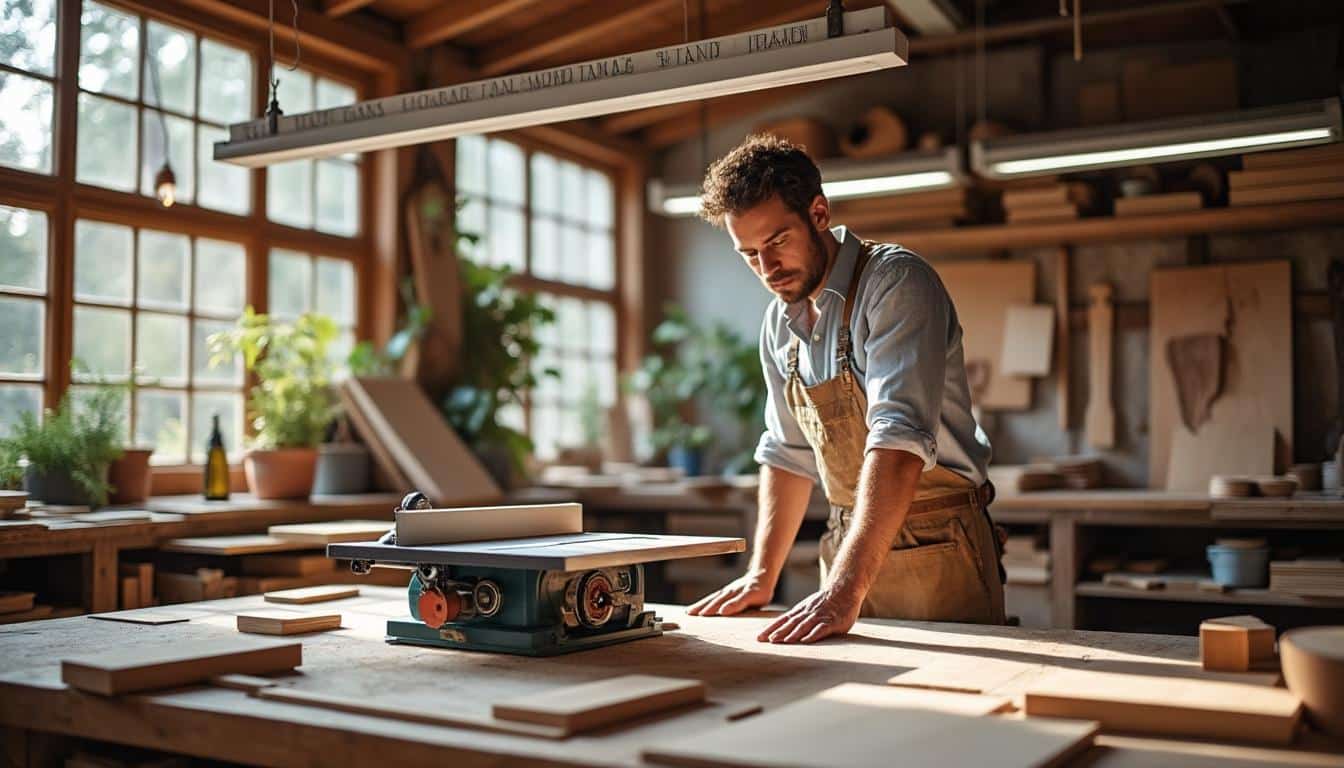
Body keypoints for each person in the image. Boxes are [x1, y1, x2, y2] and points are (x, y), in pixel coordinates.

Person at [686, 134, 1005, 644]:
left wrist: (844, 589)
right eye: (748, 254)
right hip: (847, 547)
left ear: (818, 213)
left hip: (939, 546)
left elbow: (898, 441)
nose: (767, 270)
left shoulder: (896, 283)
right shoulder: (778, 323)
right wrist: (762, 576)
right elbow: (788, 453)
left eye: (777, 242)